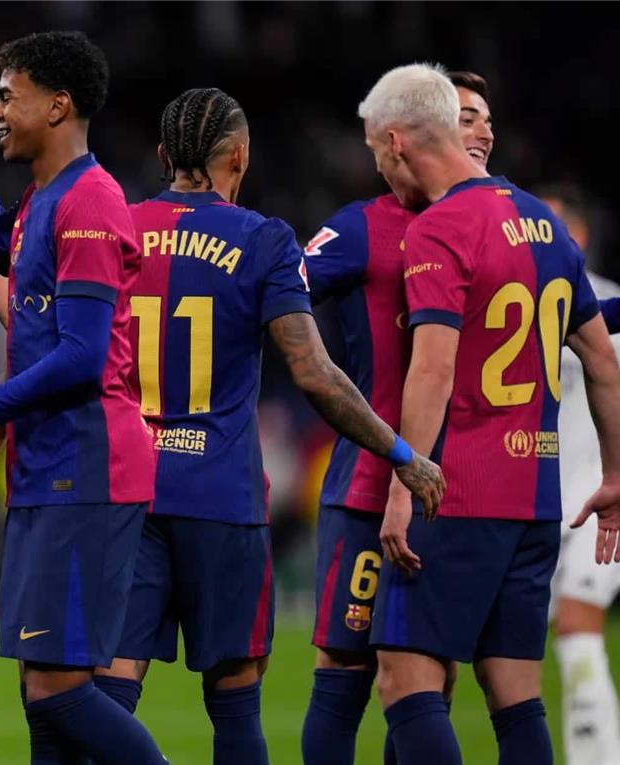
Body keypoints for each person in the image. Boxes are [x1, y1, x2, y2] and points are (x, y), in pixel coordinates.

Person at [99, 86, 443, 765]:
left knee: (109, 691)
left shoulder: (121, 229)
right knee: (234, 702)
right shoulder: (262, 240)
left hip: (127, 492)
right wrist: (401, 451)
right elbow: (313, 373)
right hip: (222, 498)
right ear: (240, 156)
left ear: (164, 155)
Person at [0, 30, 168, 764]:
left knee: (55, 689)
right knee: (43, 696)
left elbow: (82, 357)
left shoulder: (90, 202)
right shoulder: (38, 201)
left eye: (7, 97)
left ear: (57, 106)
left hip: (89, 466)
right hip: (50, 466)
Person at [359, 63, 620, 765]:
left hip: (456, 492)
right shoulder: (545, 222)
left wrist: (402, 485)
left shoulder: (439, 228)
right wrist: (616, 475)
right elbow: (602, 360)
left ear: (396, 142)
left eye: (376, 151)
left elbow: (433, 369)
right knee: (515, 694)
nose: (380, 169)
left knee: (405, 680)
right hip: (533, 499)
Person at [300, 69, 494, 765]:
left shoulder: (499, 226)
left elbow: (575, 314)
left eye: (484, 120)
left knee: (426, 679)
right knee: (345, 670)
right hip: (368, 486)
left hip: (458, 491)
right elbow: (276, 294)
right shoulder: (360, 228)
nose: (480, 131)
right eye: (465, 117)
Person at [537, 182, 620, 765]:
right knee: (541, 648)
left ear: (581, 236)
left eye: (553, 227)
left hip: (600, 500)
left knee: (577, 627)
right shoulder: (516, 309)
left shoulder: (608, 304)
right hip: (538, 506)